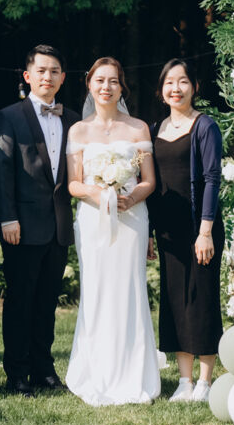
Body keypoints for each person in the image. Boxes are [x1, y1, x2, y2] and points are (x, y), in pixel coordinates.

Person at [63, 57, 161, 405]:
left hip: (131, 218)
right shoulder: (78, 131)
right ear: (89, 84)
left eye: (113, 81)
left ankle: (134, 372)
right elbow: (73, 183)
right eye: (100, 80)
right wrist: (99, 194)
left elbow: (149, 180)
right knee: (97, 289)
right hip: (93, 220)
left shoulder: (137, 128)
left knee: (130, 288)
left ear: (122, 88)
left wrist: (130, 197)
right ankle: (96, 371)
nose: (106, 87)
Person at [0, 45, 80, 397]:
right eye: (41, 70)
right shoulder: (9, 116)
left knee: (47, 302)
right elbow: (1, 171)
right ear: (28, 76)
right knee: (20, 301)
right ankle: (17, 372)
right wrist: (7, 218)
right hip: (22, 225)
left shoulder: (73, 120)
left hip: (58, 225)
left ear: (63, 78)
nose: (48, 77)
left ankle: (44, 369)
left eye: (54, 71)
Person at [148, 59, 224, 403]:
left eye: (182, 82)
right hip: (168, 233)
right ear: (161, 90)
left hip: (199, 229)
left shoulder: (204, 126)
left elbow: (212, 179)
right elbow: (152, 185)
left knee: (201, 301)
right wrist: (151, 232)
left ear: (194, 87)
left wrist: (205, 231)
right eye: (169, 82)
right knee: (175, 302)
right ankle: (184, 381)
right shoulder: (154, 129)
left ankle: (205, 382)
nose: (175, 88)